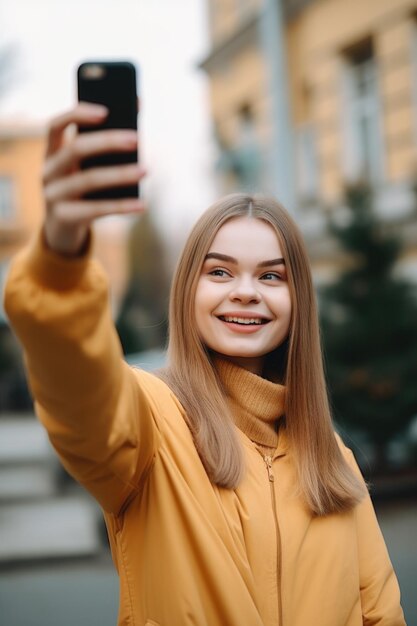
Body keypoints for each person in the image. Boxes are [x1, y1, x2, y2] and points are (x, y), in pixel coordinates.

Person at [4, 103, 405, 626]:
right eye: (220, 272)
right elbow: (81, 391)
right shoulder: (150, 425)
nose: (245, 293)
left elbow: (382, 615)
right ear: (187, 290)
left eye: (270, 276)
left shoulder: (336, 463)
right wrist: (60, 260)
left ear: (297, 299)